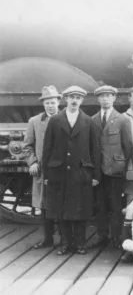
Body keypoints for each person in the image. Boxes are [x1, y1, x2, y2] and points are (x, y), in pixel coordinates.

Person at [42, 86, 101, 255]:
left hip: (81, 172)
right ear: (65, 99)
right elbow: (48, 148)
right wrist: (47, 174)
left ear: (82, 101)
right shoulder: (55, 120)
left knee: (81, 208)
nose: (74, 100)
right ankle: (65, 243)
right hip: (59, 172)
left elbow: (95, 149)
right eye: (71, 97)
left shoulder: (88, 121)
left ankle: (80, 243)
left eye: (78, 98)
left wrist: (95, 175)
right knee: (61, 209)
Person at [91, 85, 133, 248]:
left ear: (114, 98)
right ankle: (102, 236)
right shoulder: (92, 119)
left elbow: (128, 146)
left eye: (108, 96)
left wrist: (121, 164)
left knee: (116, 205)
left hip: (116, 169)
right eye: (102, 96)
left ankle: (116, 237)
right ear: (98, 99)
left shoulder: (122, 119)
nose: (105, 99)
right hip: (98, 170)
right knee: (100, 205)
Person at [23, 85, 61, 249]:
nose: (50, 106)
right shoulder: (35, 121)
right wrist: (32, 162)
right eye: (47, 103)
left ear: (58, 102)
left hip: (62, 170)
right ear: (43, 104)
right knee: (44, 206)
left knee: (62, 203)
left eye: (53, 102)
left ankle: (65, 239)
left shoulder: (66, 119)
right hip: (43, 171)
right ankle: (47, 238)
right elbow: (28, 146)